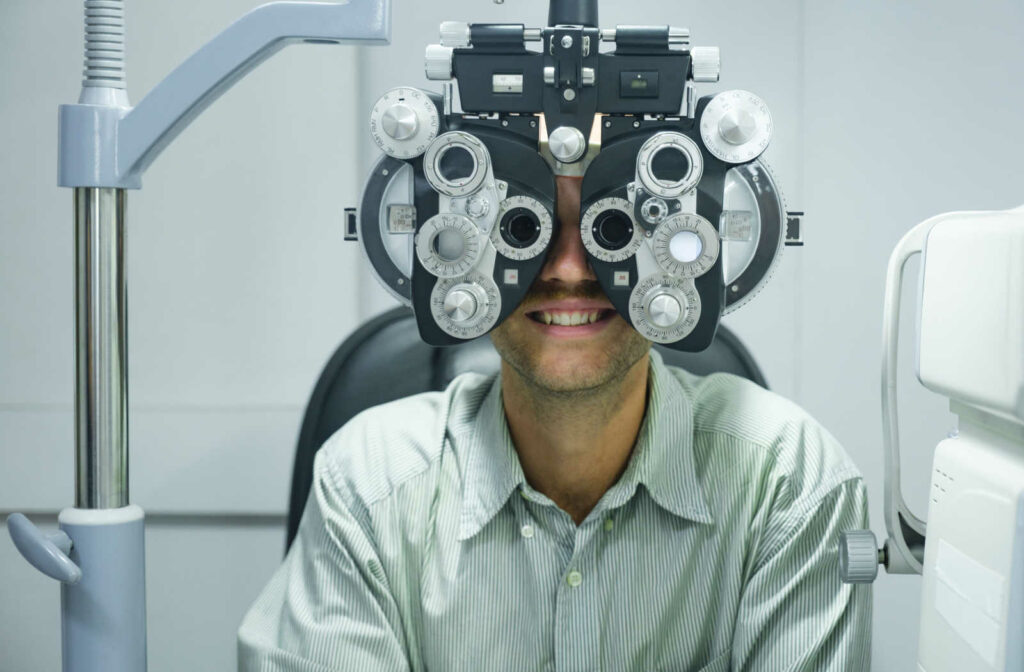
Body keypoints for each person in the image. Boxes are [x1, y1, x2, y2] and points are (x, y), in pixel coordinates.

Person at [238, 176, 872, 671]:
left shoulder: (787, 480)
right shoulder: (370, 482)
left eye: (615, 228)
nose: (569, 267)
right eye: (524, 227)